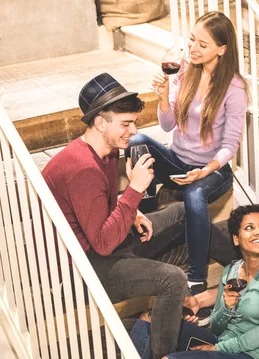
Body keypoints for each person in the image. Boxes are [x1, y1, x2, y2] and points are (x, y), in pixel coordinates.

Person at [42, 73, 190, 359]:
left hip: (102, 241)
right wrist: (134, 191)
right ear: (100, 122)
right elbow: (103, 243)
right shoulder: (82, 168)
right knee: (172, 280)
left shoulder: (107, 152)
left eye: (133, 122)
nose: (133, 130)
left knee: (182, 212)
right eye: (125, 123)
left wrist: (130, 211)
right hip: (84, 267)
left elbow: (100, 211)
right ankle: (165, 356)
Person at [128, 10, 248, 296]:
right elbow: (168, 125)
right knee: (137, 141)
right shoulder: (183, 71)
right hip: (178, 161)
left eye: (202, 44)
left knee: (195, 193)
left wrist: (206, 170)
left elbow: (231, 144)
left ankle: (196, 277)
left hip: (212, 170)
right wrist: (163, 96)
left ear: (222, 49)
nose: (193, 48)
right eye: (192, 40)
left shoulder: (234, 88)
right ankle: (142, 222)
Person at [130, 205, 259, 359]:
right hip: (220, 342)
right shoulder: (231, 270)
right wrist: (226, 308)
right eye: (249, 227)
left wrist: (219, 349)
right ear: (236, 239)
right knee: (148, 324)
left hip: (250, 354)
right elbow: (216, 327)